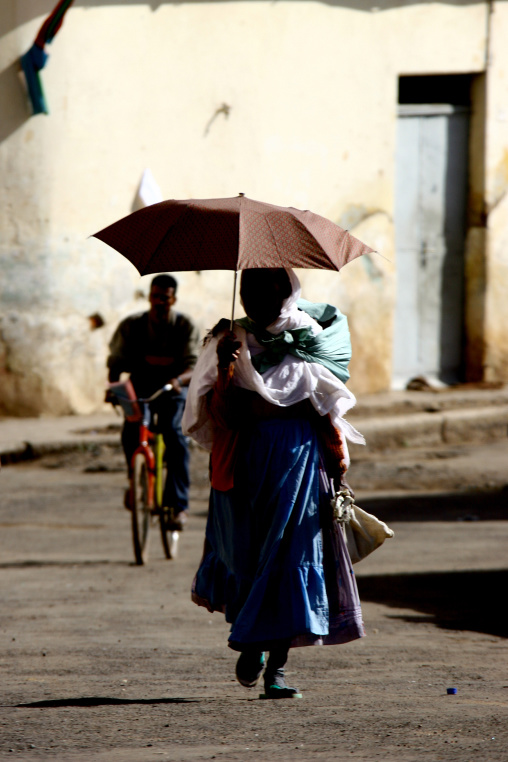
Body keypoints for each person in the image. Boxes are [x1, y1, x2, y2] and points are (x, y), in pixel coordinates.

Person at [182, 267, 366, 698]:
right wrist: (226, 367)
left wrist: (337, 459)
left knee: (291, 557)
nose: (255, 299)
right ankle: (252, 638)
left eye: (267, 290)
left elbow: (326, 404)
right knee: (246, 557)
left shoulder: (309, 335)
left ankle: (275, 669)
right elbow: (211, 415)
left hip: (298, 461)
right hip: (242, 460)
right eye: (249, 290)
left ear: (286, 293)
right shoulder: (226, 339)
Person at [107, 273, 199, 530]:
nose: (160, 302)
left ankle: (179, 506)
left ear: (173, 300)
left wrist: (178, 381)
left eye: (165, 298)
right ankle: (134, 481)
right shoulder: (132, 326)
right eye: (156, 296)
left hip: (174, 386)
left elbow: (194, 365)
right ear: (149, 297)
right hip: (140, 385)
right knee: (130, 431)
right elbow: (116, 362)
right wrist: (113, 387)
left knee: (175, 434)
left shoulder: (185, 326)